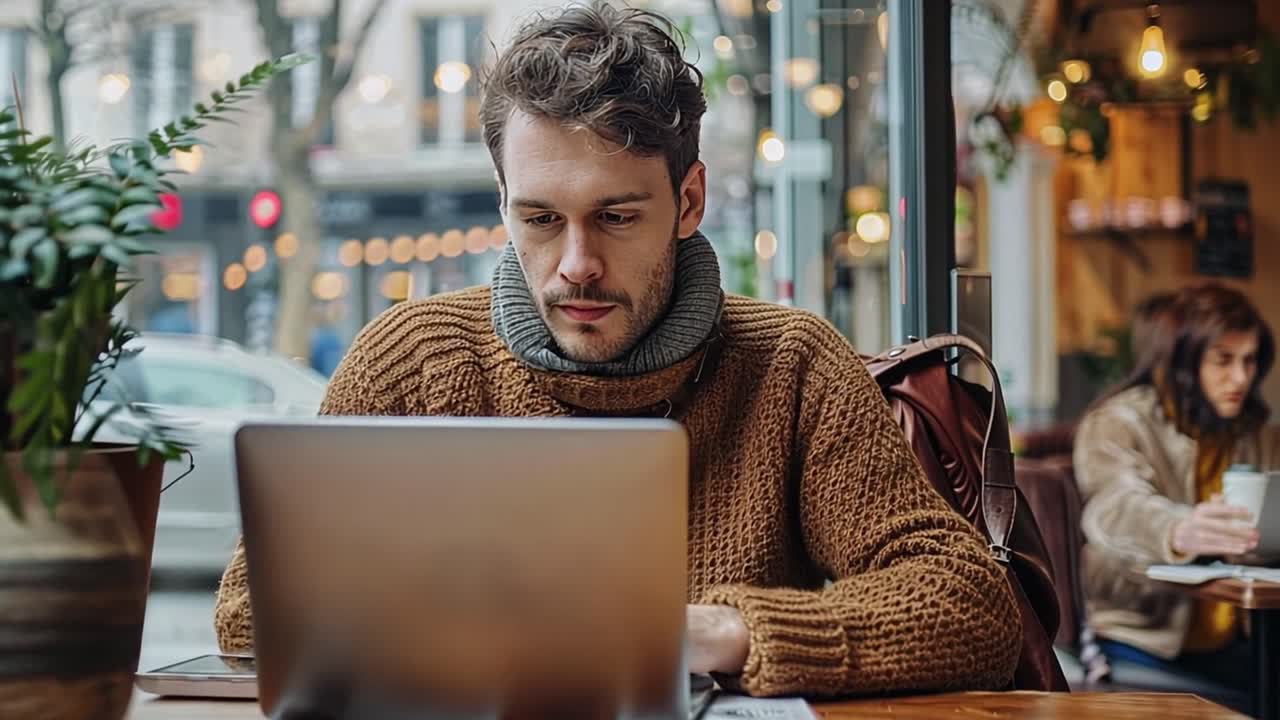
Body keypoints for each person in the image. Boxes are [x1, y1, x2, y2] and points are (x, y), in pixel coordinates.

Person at [214, 3, 1020, 699]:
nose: (576, 265)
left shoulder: (792, 364)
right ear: (502, 204)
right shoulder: (413, 357)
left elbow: (973, 608)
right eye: (538, 219)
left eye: (617, 217)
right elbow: (251, 613)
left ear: (689, 200)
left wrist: (729, 631)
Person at [1075, 284, 1280, 688]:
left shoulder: (1256, 433)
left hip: (1240, 641)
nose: (1240, 377)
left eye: (1249, 361)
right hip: (1141, 641)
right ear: (1187, 362)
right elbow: (1115, 509)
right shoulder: (1120, 421)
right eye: (1224, 360)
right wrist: (1178, 530)